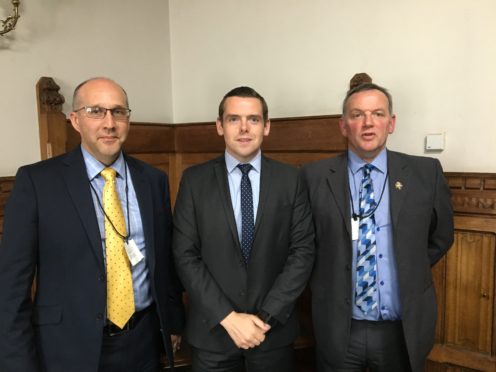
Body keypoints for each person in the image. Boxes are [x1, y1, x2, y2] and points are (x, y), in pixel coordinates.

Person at [0, 77, 184, 372]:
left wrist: (172, 324)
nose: (109, 123)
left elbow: (164, 261)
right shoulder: (37, 183)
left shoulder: (153, 180)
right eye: (95, 111)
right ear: (75, 120)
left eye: (118, 112)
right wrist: (16, 363)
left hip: (143, 341)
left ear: (128, 119)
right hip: (67, 347)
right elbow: (11, 288)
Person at [301, 82, 454, 372]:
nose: (368, 123)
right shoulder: (314, 177)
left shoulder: (426, 173)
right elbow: (304, 246)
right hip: (340, 329)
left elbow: (442, 236)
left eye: (378, 114)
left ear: (391, 123)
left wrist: (409, 265)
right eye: (357, 115)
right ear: (344, 125)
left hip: (401, 330)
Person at [172, 86, 315, 372]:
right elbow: (185, 255)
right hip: (213, 333)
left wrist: (264, 318)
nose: (244, 128)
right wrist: (228, 318)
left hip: (271, 333)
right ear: (219, 126)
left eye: (254, 119)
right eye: (234, 119)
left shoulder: (291, 179)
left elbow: (302, 252)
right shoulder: (194, 181)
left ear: (267, 126)